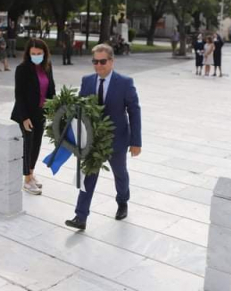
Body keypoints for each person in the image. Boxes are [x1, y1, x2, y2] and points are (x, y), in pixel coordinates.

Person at [65, 44, 142, 231]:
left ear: (111, 61)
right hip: (93, 140)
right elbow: (81, 109)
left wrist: (136, 141)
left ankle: (122, 201)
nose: (98, 65)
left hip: (117, 139)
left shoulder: (125, 82)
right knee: (89, 175)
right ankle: (80, 216)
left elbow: (134, 111)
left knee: (120, 173)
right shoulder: (87, 81)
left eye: (102, 61)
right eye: (95, 61)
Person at [11, 38, 56, 195]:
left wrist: (54, 108)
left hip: (40, 113)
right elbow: (19, 95)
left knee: (36, 144)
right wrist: (24, 118)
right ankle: (27, 179)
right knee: (27, 145)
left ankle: (31, 172)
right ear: (28, 54)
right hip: (26, 115)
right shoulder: (22, 69)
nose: (36, 56)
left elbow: (52, 90)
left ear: (44, 53)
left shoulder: (47, 67)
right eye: (33, 54)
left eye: (39, 53)